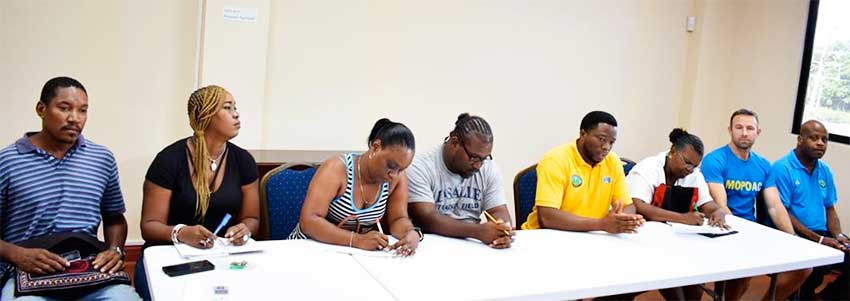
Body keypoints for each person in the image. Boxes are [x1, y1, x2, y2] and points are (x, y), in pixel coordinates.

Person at [0, 77, 140, 300]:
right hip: (27, 271)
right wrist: (18, 255)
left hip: (88, 266)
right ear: (41, 109)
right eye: (64, 108)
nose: (75, 118)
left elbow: (114, 218)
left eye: (82, 110)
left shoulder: (101, 159)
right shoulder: (7, 161)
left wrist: (115, 250)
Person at [136, 85, 259, 300]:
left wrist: (244, 229)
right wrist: (181, 233)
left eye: (235, 107)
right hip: (171, 256)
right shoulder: (168, 160)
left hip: (222, 257)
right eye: (227, 108)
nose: (236, 114)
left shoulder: (243, 160)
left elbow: (252, 218)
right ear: (207, 116)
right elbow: (149, 226)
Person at [701, 109, 810, 300]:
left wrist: (792, 238)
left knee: (804, 267)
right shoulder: (715, 160)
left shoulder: (763, 165)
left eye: (750, 128)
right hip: (720, 228)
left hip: (751, 231)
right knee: (741, 273)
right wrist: (745, 238)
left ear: (758, 132)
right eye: (739, 127)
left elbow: (775, 206)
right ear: (730, 130)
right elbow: (721, 206)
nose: (744, 133)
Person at [288, 118, 422, 256]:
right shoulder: (337, 169)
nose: (394, 175)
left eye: (401, 169)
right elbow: (309, 221)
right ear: (376, 147)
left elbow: (398, 219)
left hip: (348, 253)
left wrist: (410, 233)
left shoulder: (396, 178)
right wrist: (356, 240)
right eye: (391, 165)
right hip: (308, 248)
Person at [626, 128, 726, 301]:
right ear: (673, 151)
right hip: (641, 243)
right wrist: (682, 218)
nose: (689, 169)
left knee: (694, 281)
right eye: (687, 162)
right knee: (674, 279)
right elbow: (639, 206)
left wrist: (718, 212)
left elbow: (707, 204)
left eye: (694, 166)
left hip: (675, 242)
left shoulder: (694, 175)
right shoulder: (647, 168)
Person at [521, 111, 644, 233]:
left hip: (590, 235)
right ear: (583, 134)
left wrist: (622, 219)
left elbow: (628, 206)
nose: (606, 147)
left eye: (611, 142)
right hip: (544, 236)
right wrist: (602, 224)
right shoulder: (556, 160)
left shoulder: (613, 162)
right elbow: (547, 217)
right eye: (601, 139)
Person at [407, 113, 514, 249]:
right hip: (431, 245)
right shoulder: (420, 167)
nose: (478, 166)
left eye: (484, 158)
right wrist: (478, 231)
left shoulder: (488, 168)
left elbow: (498, 210)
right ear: (454, 142)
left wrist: (502, 229)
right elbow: (428, 218)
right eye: (474, 157)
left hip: (473, 246)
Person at [772, 120, 847, 301]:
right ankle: (801, 294)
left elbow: (830, 208)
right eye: (814, 138)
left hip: (821, 233)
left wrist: (838, 236)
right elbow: (782, 212)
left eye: (824, 139)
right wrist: (819, 240)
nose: (820, 143)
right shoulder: (782, 168)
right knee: (812, 269)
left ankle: (825, 296)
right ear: (800, 140)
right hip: (792, 234)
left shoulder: (825, 170)